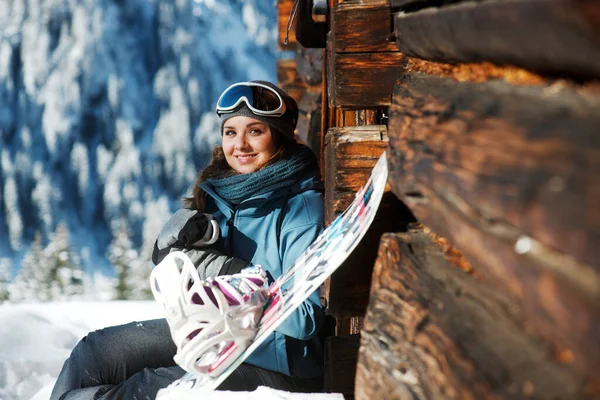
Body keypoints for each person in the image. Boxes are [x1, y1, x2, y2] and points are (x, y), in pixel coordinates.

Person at [50, 81, 326, 399]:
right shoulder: (222, 194)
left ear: (278, 136)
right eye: (231, 132)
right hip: (212, 336)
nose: (240, 145)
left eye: (255, 131)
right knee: (96, 352)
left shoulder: (299, 209)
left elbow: (306, 319)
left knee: (142, 390)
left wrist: (228, 275)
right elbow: (194, 287)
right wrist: (175, 257)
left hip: (277, 363)